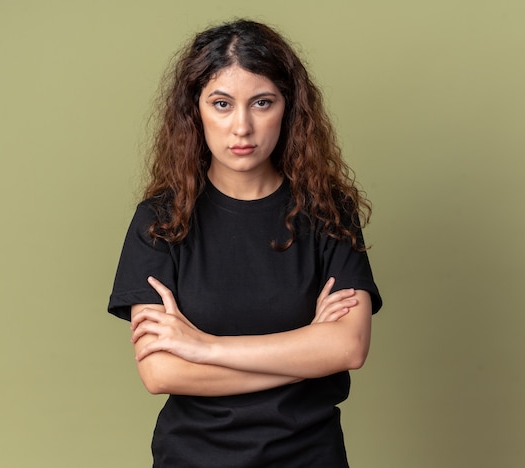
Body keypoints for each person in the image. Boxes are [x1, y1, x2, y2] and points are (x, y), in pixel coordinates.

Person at [108, 18, 382, 468]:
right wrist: (308, 345)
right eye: (221, 103)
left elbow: (347, 349)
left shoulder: (328, 212)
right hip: (192, 457)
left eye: (262, 102)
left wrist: (204, 348)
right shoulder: (160, 221)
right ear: (195, 110)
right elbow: (161, 372)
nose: (242, 126)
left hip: (308, 456)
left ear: (288, 108)